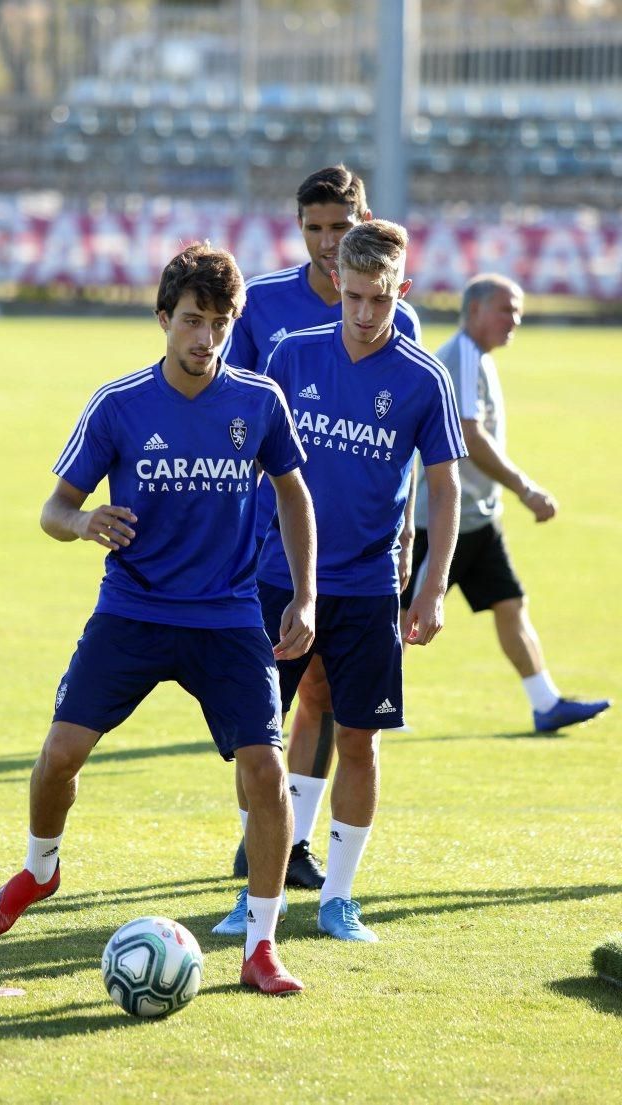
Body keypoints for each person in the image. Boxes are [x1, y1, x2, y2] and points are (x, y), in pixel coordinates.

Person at [0, 243, 317, 996]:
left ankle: (262, 945)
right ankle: (40, 869)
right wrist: (85, 519)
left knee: (266, 771)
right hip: (133, 607)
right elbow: (52, 509)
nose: (206, 338)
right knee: (59, 755)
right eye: (192, 320)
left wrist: (305, 593)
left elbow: (294, 493)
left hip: (226, 616)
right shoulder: (119, 404)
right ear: (162, 318)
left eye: (221, 323)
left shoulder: (259, 402)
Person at [214, 219, 466, 942]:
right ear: (336, 287)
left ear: (402, 292)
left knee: (359, 739)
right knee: (256, 739)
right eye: (351, 297)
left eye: (378, 301)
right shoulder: (292, 357)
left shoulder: (423, 378)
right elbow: (246, 457)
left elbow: (445, 489)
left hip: (365, 587)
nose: (362, 314)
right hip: (275, 577)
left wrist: (434, 584)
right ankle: (256, 890)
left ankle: (339, 898)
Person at [222, 164, 423, 888]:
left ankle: (299, 847)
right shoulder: (267, 306)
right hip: (270, 547)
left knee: (330, 700)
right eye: (315, 228)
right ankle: (265, 845)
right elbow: (235, 415)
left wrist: (406, 550)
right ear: (299, 227)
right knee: (266, 707)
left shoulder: (400, 322)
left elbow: (405, 450)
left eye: (341, 227)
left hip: (360, 558)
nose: (328, 242)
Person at [404, 274, 611, 733]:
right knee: (404, 615)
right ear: (474, 310)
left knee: (509, 603)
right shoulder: (460, 355)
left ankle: (545, 704)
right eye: (506, 309)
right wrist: (525, 487)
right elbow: (469, 435)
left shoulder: (477, 358)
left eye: (517, 310)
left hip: (478, 517)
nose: (515, 319)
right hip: (440, 518)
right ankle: (362, 707)